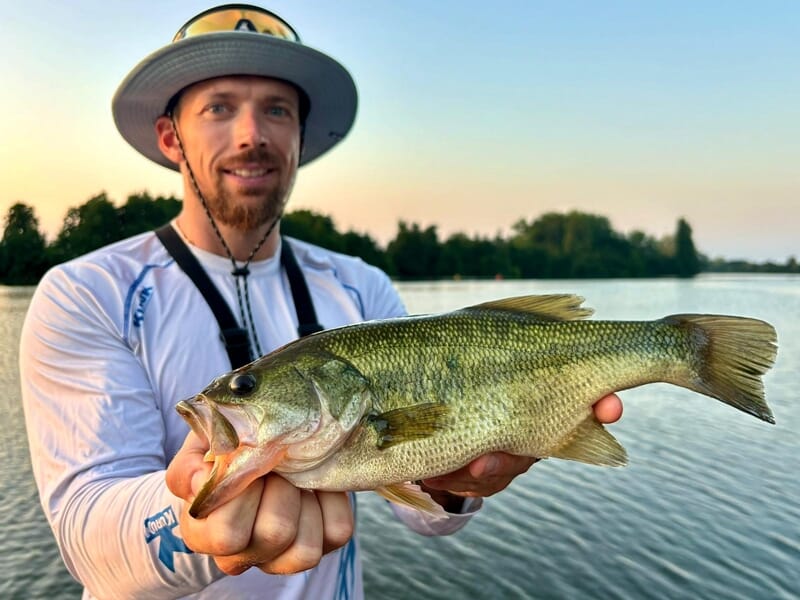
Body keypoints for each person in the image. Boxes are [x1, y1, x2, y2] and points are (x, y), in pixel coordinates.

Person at [20, 4, 623, 599]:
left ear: (301, 137)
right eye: (219, 108)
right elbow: (85, 535)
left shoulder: (361, 285)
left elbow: (422, 508)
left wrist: (456, 476)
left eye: (277, 110)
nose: (252, 135)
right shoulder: (87, 294)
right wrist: (191, 518)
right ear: (170, 136)